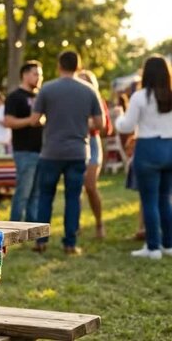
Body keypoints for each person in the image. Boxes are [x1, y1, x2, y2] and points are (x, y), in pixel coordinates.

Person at [28, 51, 105, 255]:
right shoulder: (89, 90)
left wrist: (50, 119)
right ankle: (70, 243)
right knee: (73, 197)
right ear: (78, 67)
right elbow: (101, 124)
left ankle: (40, 241)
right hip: (78, 152)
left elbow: (35, 120)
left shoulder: (47, 88)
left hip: (51, 151)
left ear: (59, 65)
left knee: (45, 196)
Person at [115, 55, 172, 259]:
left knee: (149, 200)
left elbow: (127, 126)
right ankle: (168, 244)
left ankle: (153, 247)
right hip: (170, 147)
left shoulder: (140, 97)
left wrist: (119, 118)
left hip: (148, 148)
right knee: (165, 199)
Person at [4, 60, 43, 224]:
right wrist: (30, 121)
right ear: (25, 75)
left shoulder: (40, 96)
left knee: (36, 193)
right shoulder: (15, 97)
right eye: (35, 74)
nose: (39, 78)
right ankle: (15, 225)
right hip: (24, 151)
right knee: (23, 192)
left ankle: (31, 226)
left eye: (40, 75)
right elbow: (8, 121)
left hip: (41, 150)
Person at [77, 70, 112, 239]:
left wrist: (87, 122)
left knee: (90, 186)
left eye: (86, 81)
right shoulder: (72, 101)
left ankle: (99, 223)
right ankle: (74, 226)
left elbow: (105, 128)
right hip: (75, 143)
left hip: (92, 142)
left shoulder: (98, 101)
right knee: (75, 187)